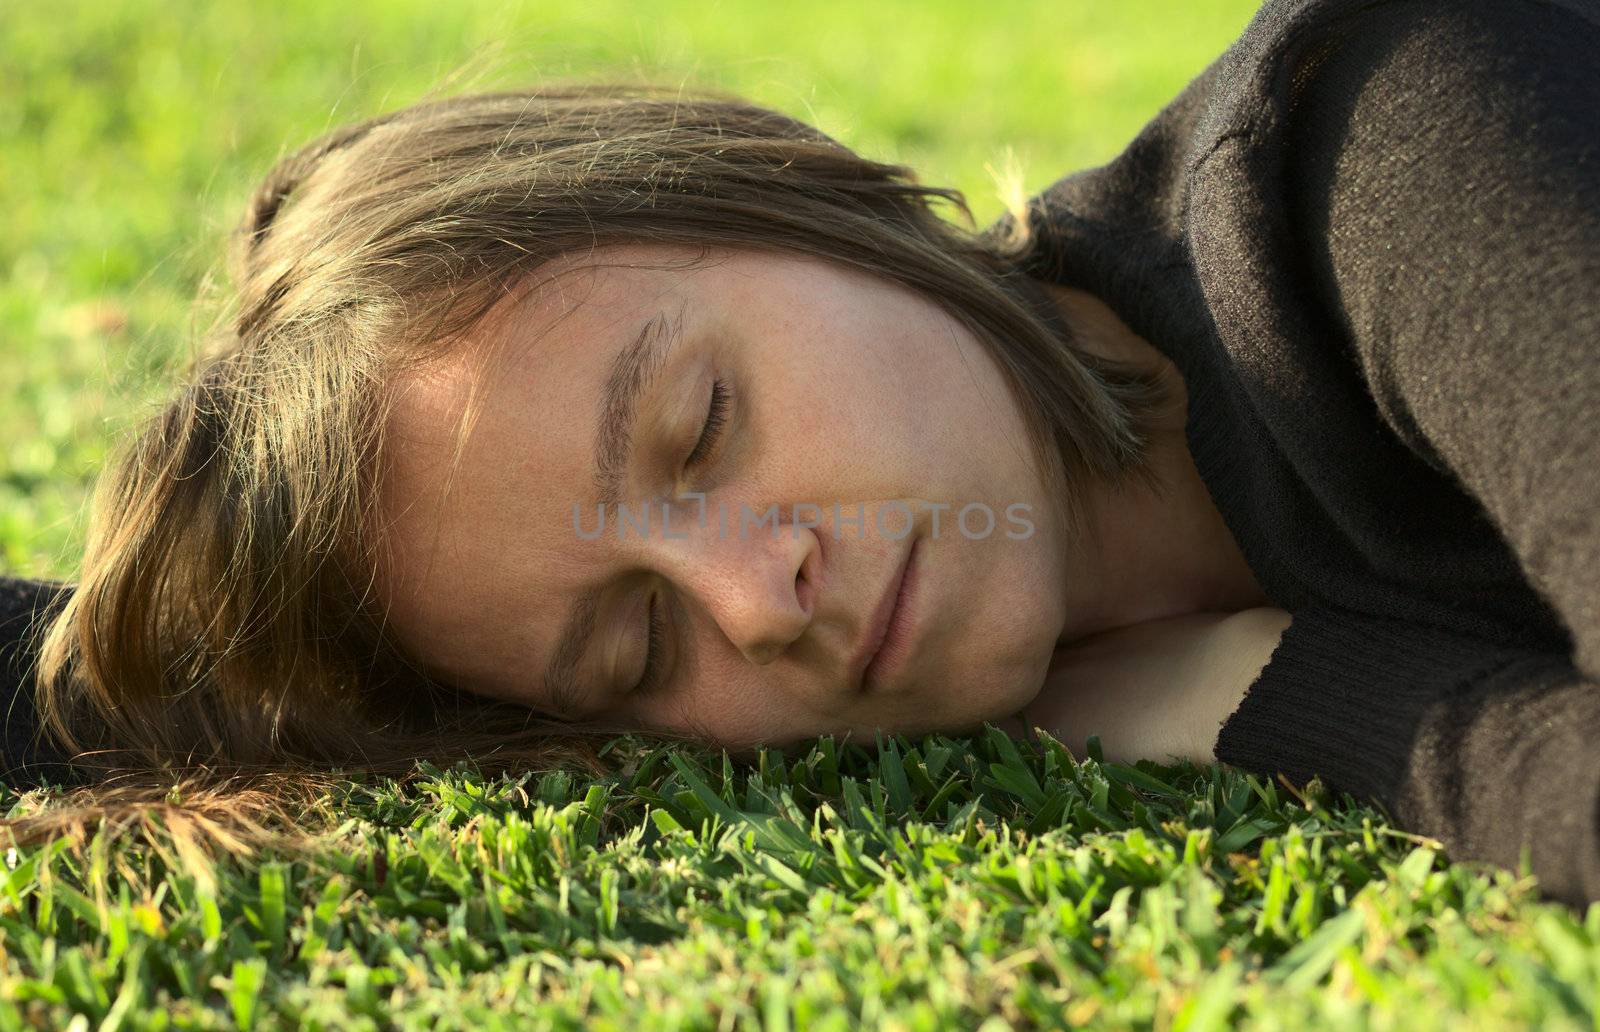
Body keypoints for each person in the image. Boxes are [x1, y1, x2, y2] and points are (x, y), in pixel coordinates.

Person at [2, 0, 1597, 909]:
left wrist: (1285, 694)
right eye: (636, 644)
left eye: (699, 430)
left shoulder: (1397, 147)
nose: (760, 604)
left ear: (789, 190)